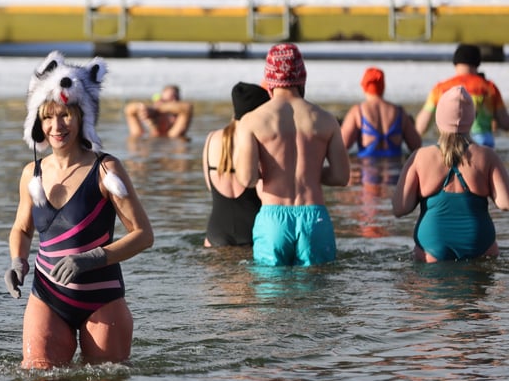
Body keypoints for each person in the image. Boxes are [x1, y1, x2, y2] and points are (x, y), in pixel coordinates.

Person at [5, 50, 153, 369]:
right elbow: (22, 229)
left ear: (83, 116)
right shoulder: (32, 174)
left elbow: (143, 235)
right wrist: (18, 261)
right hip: (47, 296)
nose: (56, 126)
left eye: (66, 115)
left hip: (102, 301)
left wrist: (92, 258)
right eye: (48, 117)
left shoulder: (106, 169)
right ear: (37, 122)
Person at [233, 43, 351, 266]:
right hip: (314, 218)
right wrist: (310, 173)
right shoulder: (326, 119)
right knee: (316, 286)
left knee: (271, 286)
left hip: (273, 218)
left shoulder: (253, 120)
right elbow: (341, 176)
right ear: (302, 78)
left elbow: (247, 179)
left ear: (269, 80)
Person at [392, 86, 509, 262]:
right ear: (471, 119)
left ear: (439, 118)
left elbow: (400, 208)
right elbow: (505, 203)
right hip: (480, 246)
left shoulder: (421, 157)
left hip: (431, 248)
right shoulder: (487, 155)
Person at [202, 82, 270, 247]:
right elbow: (265, 194)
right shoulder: (260, 142)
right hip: (252, 230)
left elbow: (210, 186)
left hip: (215, 231)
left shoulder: (212, 138)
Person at [414, 43, 509, 147]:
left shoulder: (441, 89)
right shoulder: (489, 88)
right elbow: (505, 123)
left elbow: (421, 127)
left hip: (451, 147)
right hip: (483, 147)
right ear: (477, 63)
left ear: (455, 63)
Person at [340, 66, 422, 158]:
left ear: (364, 87)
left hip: (366, 165)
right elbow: (416, 144)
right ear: (383, 86)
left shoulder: (358, 112)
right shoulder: (400, 112)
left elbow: (342, 144)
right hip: (395, 164)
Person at [124, 84, 193, 138]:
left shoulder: (173, 134)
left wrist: (156, 109)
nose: (174, 102)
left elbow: (187, 108)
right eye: (170, 99)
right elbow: (128, 109)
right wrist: (144, 108)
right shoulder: (140, 134)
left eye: (176, 99)